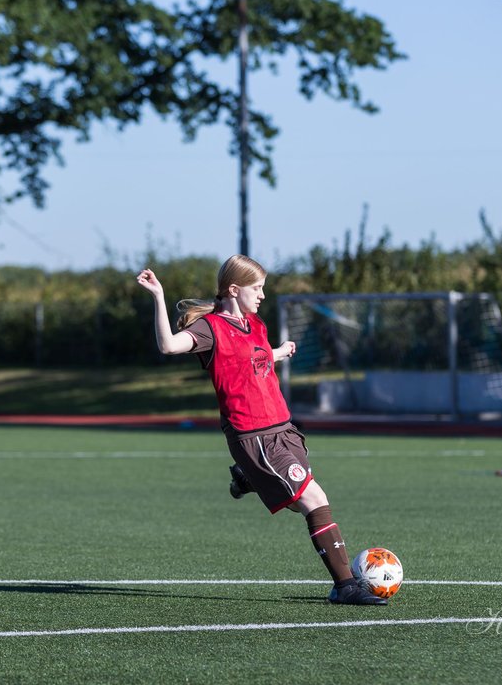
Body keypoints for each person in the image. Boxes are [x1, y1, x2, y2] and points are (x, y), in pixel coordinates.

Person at [136, 255, 387, 605]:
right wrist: (158, 297)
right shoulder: (209, 328)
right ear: (234, 289)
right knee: (314, 500)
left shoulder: (255, 324)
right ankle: (345, 586)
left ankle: (249, 478)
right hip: (253, 436)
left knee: (301, 503)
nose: (263, 295)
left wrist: (277, 353)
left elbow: (248, 359)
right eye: (257, 288)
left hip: (284, 429)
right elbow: (168, 345)